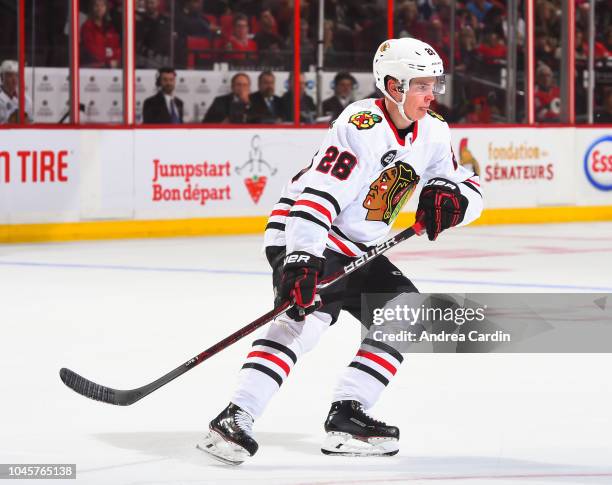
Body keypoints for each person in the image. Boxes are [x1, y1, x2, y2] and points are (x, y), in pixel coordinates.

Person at [197, 37, 483, 464]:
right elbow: (317, 197)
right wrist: (301, 259)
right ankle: (234, 418)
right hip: (309, 231)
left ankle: (348, 415)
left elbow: (469, 186)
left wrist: (454, 202)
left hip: (358, 245)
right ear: (392, 85)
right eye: (421, 85)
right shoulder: (360, 125)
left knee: (407, 314)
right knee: (306, 319)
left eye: (434, 85)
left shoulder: (436, 131)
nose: (431, 94)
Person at [80, 0, 121, 68]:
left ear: (106, 8)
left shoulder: (111, 27)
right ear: (92, 8)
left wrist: (113, 58)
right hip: (93, 68)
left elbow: (117, 49)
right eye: (96, 5)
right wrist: (109, 57)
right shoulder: (87, 27)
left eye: (102, 5)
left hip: (111, 68)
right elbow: (93, 50)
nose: (99, 8)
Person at [136, 0, 172, 68]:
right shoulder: (140, 20)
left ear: (158, 3)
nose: (149, 5)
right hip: (143, 58)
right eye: (147, 3)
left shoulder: (166, 20)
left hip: (159, 59)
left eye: (152, 3)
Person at [0, 59, 33, 124]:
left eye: (16, 75)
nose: (14, 79)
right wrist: (8, 123)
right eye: (10, 75)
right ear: (1, 77)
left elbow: (31, 122)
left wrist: (26, 121)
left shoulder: (26, 99)